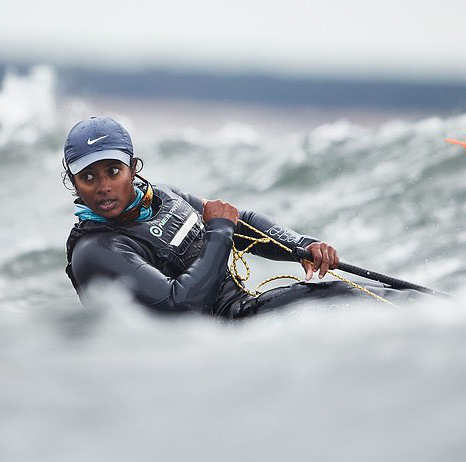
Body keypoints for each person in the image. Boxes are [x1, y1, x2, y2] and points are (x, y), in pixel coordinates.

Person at [65, 116, 407, 319]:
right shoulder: (97, 250)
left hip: (242, 316)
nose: (104, 187)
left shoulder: (164, 196)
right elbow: (180, 306)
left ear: (132, 167)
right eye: (89, 178)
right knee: (340, 298)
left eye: (113, 171)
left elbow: (236, 221)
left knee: (375, 294)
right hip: (214, 344)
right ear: (74, 183)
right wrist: (219, 233)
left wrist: (302, 246)